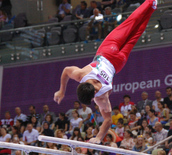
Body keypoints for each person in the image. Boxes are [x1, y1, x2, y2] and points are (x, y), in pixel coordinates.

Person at [54, 0, 157, 144]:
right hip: (108, 50)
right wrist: (61, 91)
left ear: (92, 96)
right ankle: (150, 2)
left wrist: (98, 137)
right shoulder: (81, 75)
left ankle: (152, 7)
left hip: (118, 63)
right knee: (130, 23)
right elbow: (65, 71)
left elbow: (108, 121)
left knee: (136, 33)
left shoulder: (100, 98)